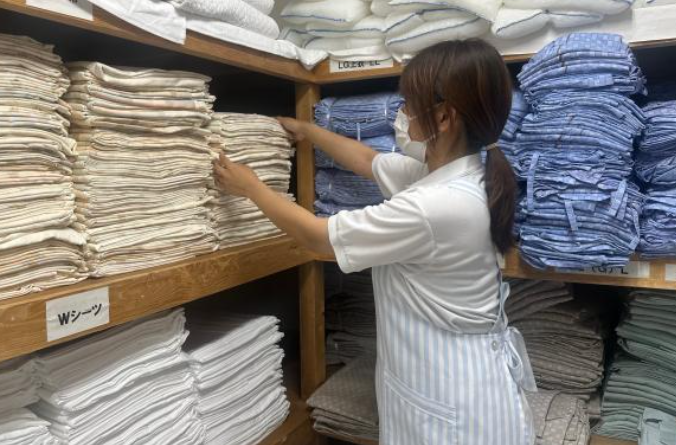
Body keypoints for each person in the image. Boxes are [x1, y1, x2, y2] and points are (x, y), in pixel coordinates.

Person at [214, 39, 536, 445]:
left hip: (454, 403)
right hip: (460, 382)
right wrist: (309, 131)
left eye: (409, 102)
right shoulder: (455, 175)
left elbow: (317, 236)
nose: (402, 113)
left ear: (443, 117)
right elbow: (368, 160)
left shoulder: (436, 205)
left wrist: (251, 187)